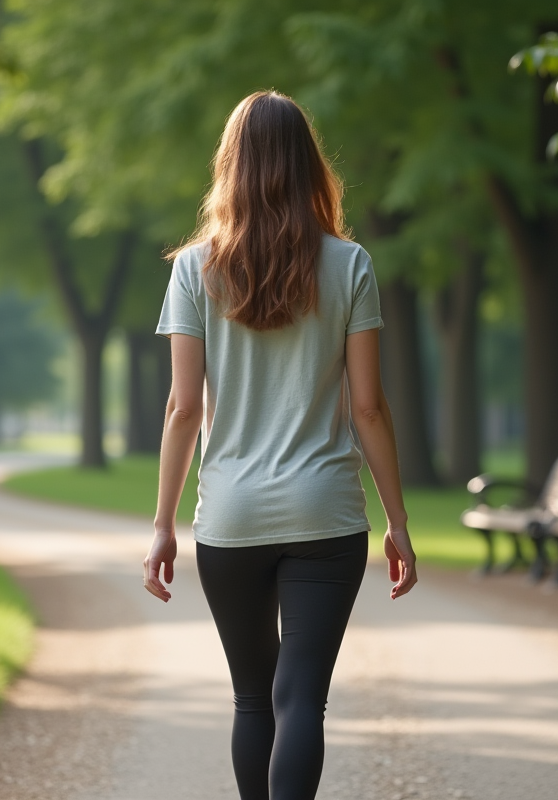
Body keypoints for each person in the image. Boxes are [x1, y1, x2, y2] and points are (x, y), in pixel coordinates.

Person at [143, 90, 417, 800]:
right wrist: (399, 522)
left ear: (229, 165)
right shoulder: (349, 264)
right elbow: (369, 407)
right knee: (301, 699)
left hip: (231, 517)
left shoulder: (193, 269)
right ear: (308, 165)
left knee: (251, 698)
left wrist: (162, 526)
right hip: (326, 515)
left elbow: (182, 407)